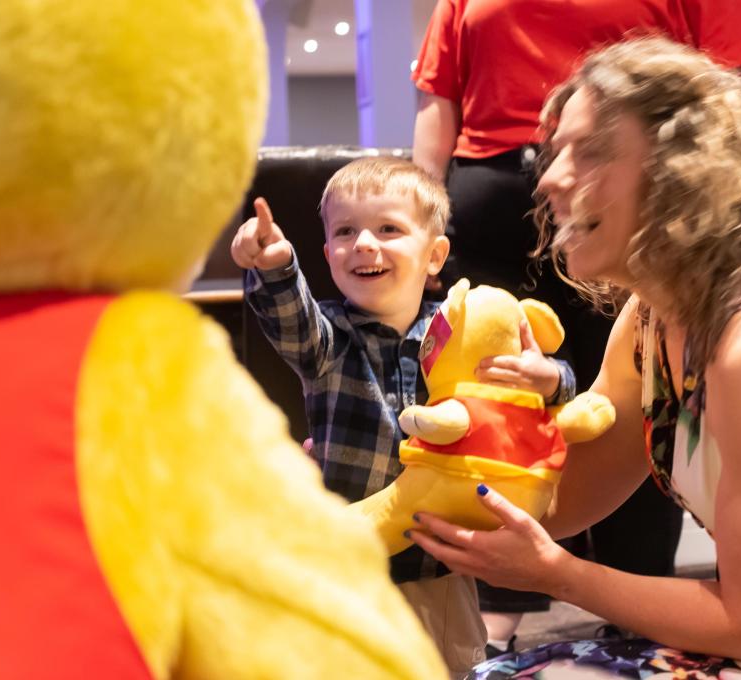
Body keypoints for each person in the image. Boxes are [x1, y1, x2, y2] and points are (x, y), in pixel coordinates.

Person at [408, 37, 741, 678]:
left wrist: (557, 576)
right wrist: (444, 445)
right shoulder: (648, 322)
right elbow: (563, 501)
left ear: (687, 173)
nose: (552, 177)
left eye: (589, 152)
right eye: (556, 151)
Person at [232, 156, 567, 678]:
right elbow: (290, 320)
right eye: (346, 232)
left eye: (388, 228)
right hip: (349, 559)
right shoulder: (329, 337)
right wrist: (273, 264)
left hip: (440, 562)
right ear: (328, 254)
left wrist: (551, 380)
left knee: (450, 664)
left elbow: (528, 385)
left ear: (434, 256)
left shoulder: (464, 329)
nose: (364, 243)